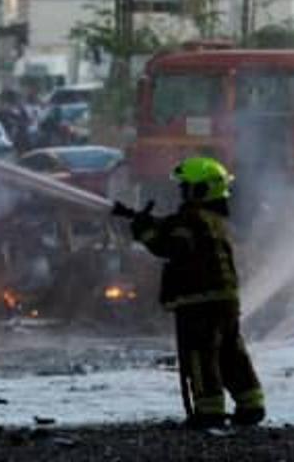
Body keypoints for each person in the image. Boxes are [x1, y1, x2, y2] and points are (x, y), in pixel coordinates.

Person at [113, 157, 266, 429]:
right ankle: (251, 405)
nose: (181, 192)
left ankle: (209, 412)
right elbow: (174, 228)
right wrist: (139, 218)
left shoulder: (192, 218)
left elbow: (171, 247)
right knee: (232, 354)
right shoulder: (214, 219)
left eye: (186, 188)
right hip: (225, 300)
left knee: (200, 355)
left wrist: (145, 233)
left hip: (199, 301)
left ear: (201, 190)